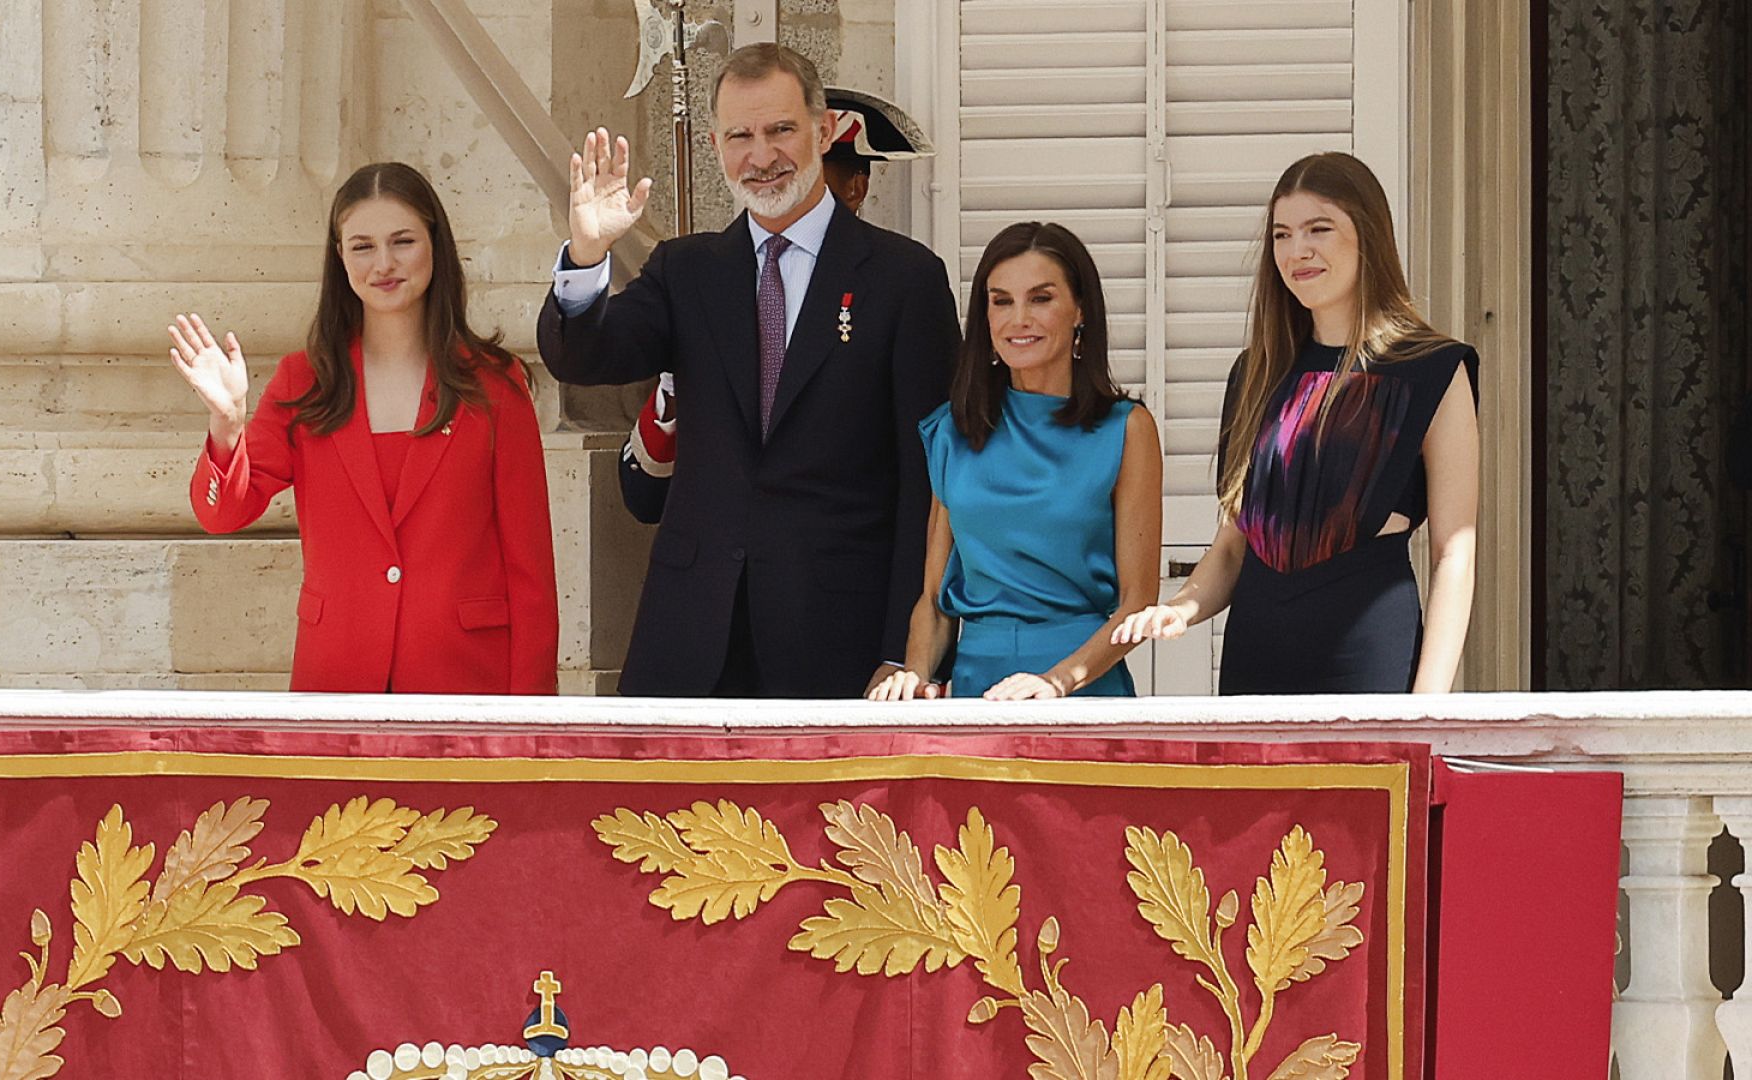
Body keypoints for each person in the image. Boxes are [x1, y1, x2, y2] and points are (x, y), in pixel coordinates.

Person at [538, 43, 960, 698]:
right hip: (689, 639)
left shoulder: (906, 280)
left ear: (823, 131)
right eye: (740, 136)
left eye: (780, 130)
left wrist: (908, 652)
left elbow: (928, 486)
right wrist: (588, 253)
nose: (761, 157)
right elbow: (585, 357)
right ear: (715, 144)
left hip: (839, 644)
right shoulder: (687, 271)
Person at [170, 162, 557, 694]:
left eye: (402, 241)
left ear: (435, 245)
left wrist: (531, 722)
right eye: (362, 246)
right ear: (340, 257)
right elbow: (222, 513)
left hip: (468, 683)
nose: (384, 264)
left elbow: (530, 571)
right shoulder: (304, 380)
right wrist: (227, 424)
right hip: (337, 681)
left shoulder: (494, 384)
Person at [1110, 151, 1479, 694]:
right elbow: (1234, 545)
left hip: (1368, 652)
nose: (1296, 250)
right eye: (1282, 235)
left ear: (1369, 235)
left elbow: (1455, 551)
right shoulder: (1256, 373)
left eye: (1319, 228)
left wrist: (1429, 705)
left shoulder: (1433, 368)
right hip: (1254, 653)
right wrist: (1181, 610)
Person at [868, 222, 1162, 700]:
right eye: (1001, 300)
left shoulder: (1126, 429)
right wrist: (916, 676)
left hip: (1082, 691)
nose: (1018, 318)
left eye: (1040, 299)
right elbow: (935, 601)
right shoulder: (953, 430)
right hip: (974, 692)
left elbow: (1137, 602)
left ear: (1080, 309)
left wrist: (1058, 682)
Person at [617, 87, 936, 525]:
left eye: (811, 177)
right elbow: (644, 494)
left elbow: (922, 470)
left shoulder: (897, 285)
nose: (779, 181)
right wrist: (673, 390)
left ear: (856, 188)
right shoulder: (711, 284)